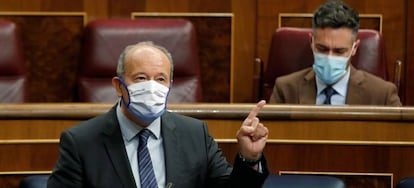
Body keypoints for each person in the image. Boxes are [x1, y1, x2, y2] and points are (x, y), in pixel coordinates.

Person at [47, 41, 269, 188]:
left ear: (170, 85)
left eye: (161, 79)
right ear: (118, 86)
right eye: (141, 78)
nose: (152, 87)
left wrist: (249, 159)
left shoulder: (194, 134)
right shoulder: (81, 142)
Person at [269, 0, 401, 106]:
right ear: (311, 42)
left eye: (339, 51)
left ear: (354, 48)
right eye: (322, 48)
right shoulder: (285, 89)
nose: (330, 57)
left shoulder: (382, 94)